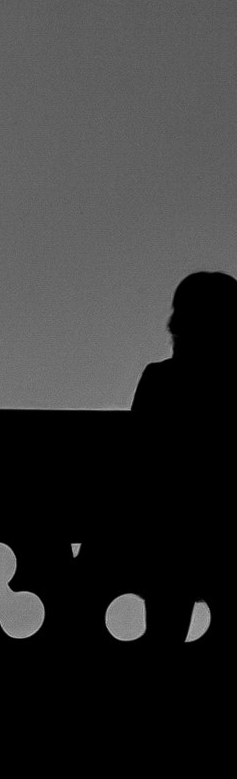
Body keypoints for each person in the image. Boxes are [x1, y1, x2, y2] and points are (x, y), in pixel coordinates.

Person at [129, 270, 236, 647]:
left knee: (163, 633)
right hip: (221, 539)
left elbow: (136, 462)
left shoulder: (159, 381)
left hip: (164, 541)